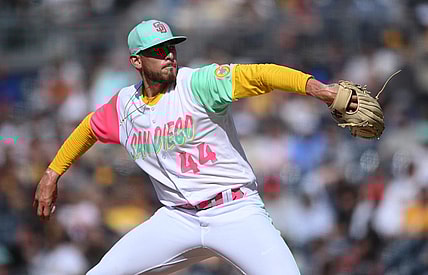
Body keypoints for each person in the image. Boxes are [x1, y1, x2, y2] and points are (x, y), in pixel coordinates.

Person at [33, 19, 357, 275]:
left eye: (171, 47)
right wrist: (52, 173)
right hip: (177, 220)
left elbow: (260, 75)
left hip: (235, 210)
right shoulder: (124, 107)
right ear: (136, 60)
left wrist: (317, 88)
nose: (169, 55)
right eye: (158, 51)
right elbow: (87, 128)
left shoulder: (198, 84)